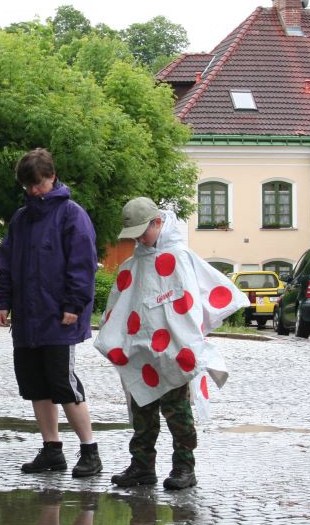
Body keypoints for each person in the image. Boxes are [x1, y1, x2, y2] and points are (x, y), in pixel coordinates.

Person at [93, 197, 247, 490]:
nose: (139, 238)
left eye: (143, 231)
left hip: (174, 351)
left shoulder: (179, 258)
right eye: (135, 233)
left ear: (158, 223)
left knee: (177, 413)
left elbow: (191, 305)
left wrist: (186, 344)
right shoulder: (133, 264)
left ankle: (184, 467)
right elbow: (123, 305)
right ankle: (142, 466)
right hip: (141, 351)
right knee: (142, 412)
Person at [0, 148, 102, 478]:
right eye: (28, 186)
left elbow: (82, 264)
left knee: (64, 385)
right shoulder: (21, 219)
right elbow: (7, 261)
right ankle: (52, 449)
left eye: (38, 184)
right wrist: (4, 301)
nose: (33, 191)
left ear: (51, 177)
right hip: (27, 319)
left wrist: (74, 305)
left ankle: (90, 451)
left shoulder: (72, 215)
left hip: (59, 318)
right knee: (35, 386)